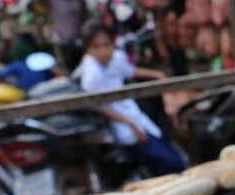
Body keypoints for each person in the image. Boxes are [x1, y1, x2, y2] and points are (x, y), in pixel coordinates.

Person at [79, 22, 186, 176]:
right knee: (169, 162)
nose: (103, 51)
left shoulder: (117, 58)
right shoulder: (91, 75)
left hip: (134, 114)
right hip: (121, 124)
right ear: (88, 49)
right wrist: (130, 124)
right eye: (96, 47)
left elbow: (130, 71)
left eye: (106, 44)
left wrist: (158, 75)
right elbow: (100, 107)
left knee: (168, 151)